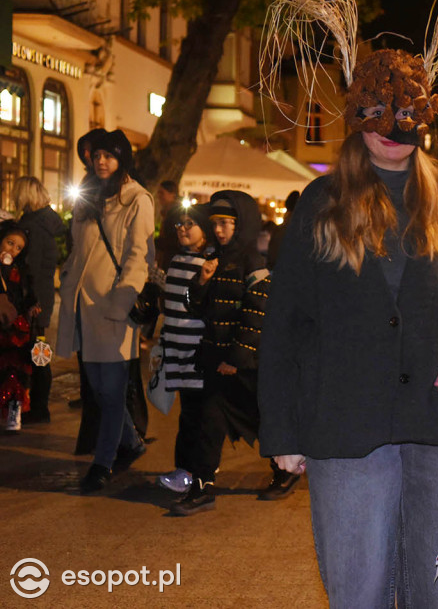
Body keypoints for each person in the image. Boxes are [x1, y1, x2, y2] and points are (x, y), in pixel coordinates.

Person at [257, 49, 438, 607]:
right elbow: (285, 325)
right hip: (345, 429)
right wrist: (283, 431)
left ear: (426, 117)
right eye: (377, 110)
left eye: (406, 113)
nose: (392, 128)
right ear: (356, 115)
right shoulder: (321, 205)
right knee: (358, 591)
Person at [171, 191, 279, 515]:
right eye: (215, 223)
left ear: (241, 224)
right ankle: (203, 486)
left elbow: (256, 314)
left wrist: (236, 359)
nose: (219, 230)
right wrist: (201, 282)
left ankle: (285, 469)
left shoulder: (252, 262)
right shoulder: (211, 258)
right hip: (215, 362)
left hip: (242, 366)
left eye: (226, 224)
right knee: (209, 423)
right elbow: (193, 306)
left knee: (260, 420)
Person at [57, 129, 153, 494]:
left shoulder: (135, 199)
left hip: (113, 305)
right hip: (83, 305)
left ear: (122, 159)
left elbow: (138, 255)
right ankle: (130, 441)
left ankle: (103, 462)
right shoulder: (88, 197)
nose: (101, 161)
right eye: (97, 155)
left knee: (111, 390)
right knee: (96, 387)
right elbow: (78, 249)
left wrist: (120, 302)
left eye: (109, 156)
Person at [154, 203, 214, 494]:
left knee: (194, 417)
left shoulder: (208, 265)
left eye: (190, 224)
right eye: (180, 224)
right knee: (190, 414)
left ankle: (188, 471)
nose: (183, 228)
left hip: (195, 355)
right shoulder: (176, 260)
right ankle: (196, 467)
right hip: (177, 352)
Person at [14, 176, 64, 425]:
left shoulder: (32, 225)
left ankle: (40, 405)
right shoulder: (46, 223)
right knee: (39, 349)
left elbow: (29, 266)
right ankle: (39, 403)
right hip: (42, 297)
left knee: (36, 352)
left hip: (34, 301)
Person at [0, 222, 35, 432]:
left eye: (18, 247)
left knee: (16, 372)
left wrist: (32, 307)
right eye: (10, 243)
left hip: (15, 330)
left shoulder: (21, 270)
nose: (12, 249)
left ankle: (14, 415)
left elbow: (28, 296)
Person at [154, 180, 181, 272]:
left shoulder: (175, 215)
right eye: (158, 193)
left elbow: (172, 239)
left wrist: (154, 242)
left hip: (170, 261)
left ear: (172, 194)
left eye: (162, 193)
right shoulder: (167, 213)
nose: (159, 196)